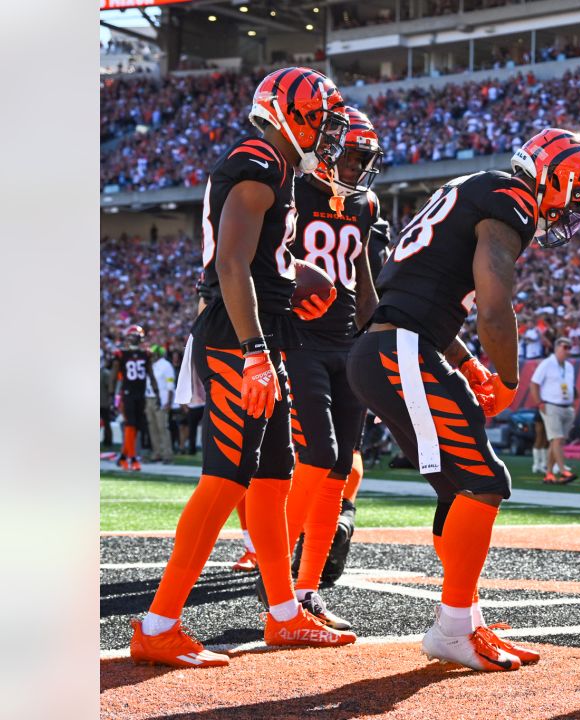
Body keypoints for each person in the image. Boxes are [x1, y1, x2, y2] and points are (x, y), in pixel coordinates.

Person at [348, 127, 580, 671]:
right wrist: (510, 379)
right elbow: (493, 303)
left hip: (396, 346)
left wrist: (466, 362)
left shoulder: (472, 188)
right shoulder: (510, 198)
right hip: (401, 350)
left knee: (457, 487)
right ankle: (453, 627)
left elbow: (424, 295)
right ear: (554, 177)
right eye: (576, 195)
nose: (574, 211)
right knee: (484, 481)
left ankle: (465, 618)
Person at [130, 67, 353, 669]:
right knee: (225, 477)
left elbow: (256, 261)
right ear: (293, 115)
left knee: (274, 476)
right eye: (324, 122)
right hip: (239, 337)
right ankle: (159, 623)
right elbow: (231, 264)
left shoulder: (275, 166)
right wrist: (255, 351)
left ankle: (283, 615)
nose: (330, 135)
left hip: (262, 330)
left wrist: (296, 275)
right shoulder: (259, 163)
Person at [269, 106, 385, 630]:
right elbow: (269, 261)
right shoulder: (295, 189)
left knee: (339, 471)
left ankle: (307, 590)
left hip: (349, 345)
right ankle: (275, 581)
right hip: (302, 340)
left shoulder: (365, 204)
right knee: (319, 456)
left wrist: (377, 343)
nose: (358, 169)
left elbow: (363, 278)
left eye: (366, 160)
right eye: (353, 156)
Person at [110, 325, 160, 471]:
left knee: (136, 426)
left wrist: (157, 393)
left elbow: (151, 375)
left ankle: (124, 457)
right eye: (135, 336)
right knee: (130, 425)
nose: (136, 339)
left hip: (140, 394)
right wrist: (112, 396)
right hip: (127, 394)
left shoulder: (146, 354)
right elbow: (114, 377)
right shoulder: (121, 354)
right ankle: (132, 458)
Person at [531, 338, 579, 484]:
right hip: (551, 405)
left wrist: (573, 402)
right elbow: (534, 383)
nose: (568, 350)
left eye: (570, 347)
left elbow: (570, 386)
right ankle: (563, 470)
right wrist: (539, 402)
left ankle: (549, 474)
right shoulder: (547, 364)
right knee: (557, 439)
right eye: (565, 347)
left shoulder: (569, 367)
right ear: (557, 348)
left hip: (566, 406)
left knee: (557, 441)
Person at [144, 345, 176, 463]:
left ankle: (167, 454)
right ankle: (156, 452)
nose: (150, 356)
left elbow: (170, 385)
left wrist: (168, 401)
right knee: (152, 427)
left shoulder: (166, 365)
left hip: (161, 400)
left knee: (162, 427)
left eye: (152, 354)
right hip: (149, 398)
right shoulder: (151, 365)